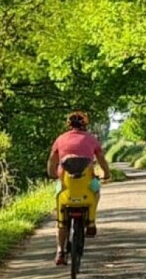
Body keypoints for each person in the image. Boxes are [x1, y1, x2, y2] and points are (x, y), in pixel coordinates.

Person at [47, 110, 111, 266]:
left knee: (61, 220)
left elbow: (52, 161)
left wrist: (52, 174)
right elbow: (101, 159)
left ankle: (60, 252)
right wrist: (106, 174)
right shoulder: (91, 139)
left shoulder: (60, 139)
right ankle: (91, 222)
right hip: (86, 185)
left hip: (66, 186)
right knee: (96, 191)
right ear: (85, 124)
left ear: (69, 125)